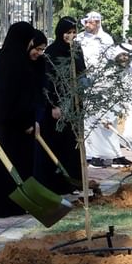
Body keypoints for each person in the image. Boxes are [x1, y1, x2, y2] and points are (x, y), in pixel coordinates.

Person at [0, 23, 47, 218]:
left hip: (2, 122)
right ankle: (6, 206)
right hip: (15, 127)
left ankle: (6, 204)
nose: (31, 44)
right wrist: (27, 123)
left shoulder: (5, 58)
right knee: (10, 167)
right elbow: (16, 98)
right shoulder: (17, 63)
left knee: (1, 166)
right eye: (30, 40)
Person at [35, 16, 85, 194]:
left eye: (73, 32)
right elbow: (48, 81)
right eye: (67, 32)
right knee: (58, 142)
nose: (70, 36)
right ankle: (57, 183)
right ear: (60, 32)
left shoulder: (77, 49)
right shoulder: (52, 52)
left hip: (75, 104)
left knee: (74, 144)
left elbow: (81, 73)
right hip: (58, 104)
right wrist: (54, 105)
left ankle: (74, 182)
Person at [75, 12, 127, 168]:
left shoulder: (106, 39)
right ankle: (92, 155)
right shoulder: (79, 39)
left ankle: (111, 153)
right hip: (87, 84)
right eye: (87, 22)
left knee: (107, 120)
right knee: (90, 120)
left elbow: (114, 55)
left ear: (98, 23)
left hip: (104, 85)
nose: (88, 25)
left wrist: (122, 58)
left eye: (92, 23)